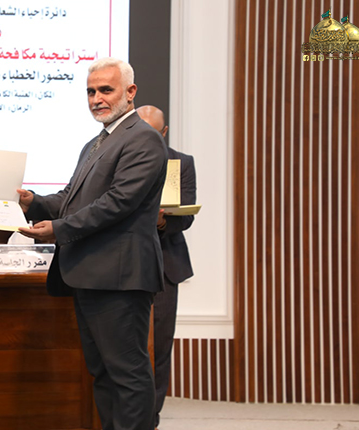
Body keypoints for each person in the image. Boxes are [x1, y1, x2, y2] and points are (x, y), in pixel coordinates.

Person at [17, 57, 168, 430]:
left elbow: (117, 203)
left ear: (130, 92)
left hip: (120, 277)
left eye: (106, 90)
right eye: (90, 91)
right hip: (90, 274)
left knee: (127, 374)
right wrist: (32, 202)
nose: (96, 99)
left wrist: (58, 229)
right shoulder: (96, 143)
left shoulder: (143, 138)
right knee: (103, 372)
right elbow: (70, 198)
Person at [137, 105, 196, 430]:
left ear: (164, 132)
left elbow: (184, 218)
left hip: (164, 262)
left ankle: (151, 419)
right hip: (123, 260)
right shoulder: (116, 157)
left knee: (159, 346)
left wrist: (161, 221)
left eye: (152, 133)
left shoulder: (181, 163)